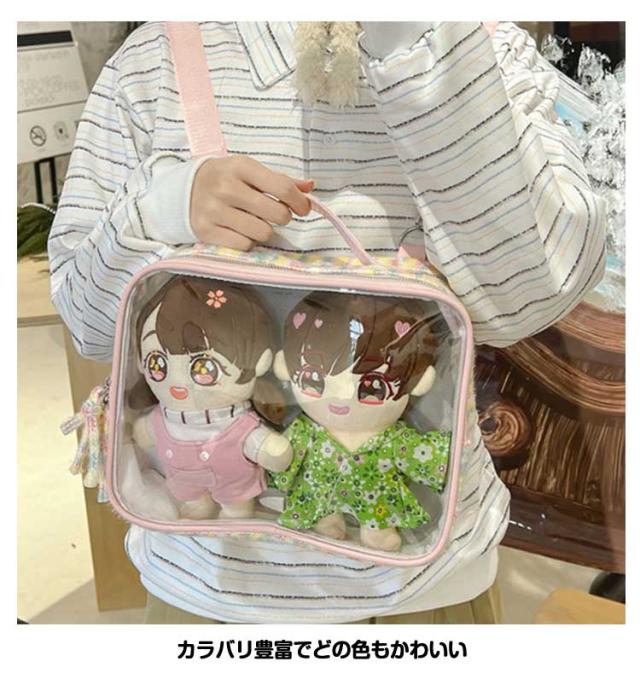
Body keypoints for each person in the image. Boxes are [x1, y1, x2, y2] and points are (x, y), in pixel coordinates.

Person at [48, 21, 606, 624]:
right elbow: (88, 327)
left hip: (425, 581)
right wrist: (159, 208)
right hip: (206, 575)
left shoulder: (482, 44)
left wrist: (425, 53)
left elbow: (529, 302)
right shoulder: (154, 62)